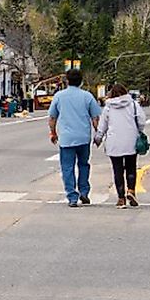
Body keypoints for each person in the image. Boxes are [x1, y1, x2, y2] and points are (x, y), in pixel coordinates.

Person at [47, 69, 102, 207]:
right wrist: (98, 134)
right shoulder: (87, 96)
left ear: (67, 81)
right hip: (83, 137)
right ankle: (84, 191)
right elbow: (95, 118)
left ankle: (72, 196)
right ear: (81, 81)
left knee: (67, 167)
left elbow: (52, 117)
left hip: (66, 138)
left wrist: (53, 132)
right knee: (83, 164)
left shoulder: (59, 96)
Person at [94, 83, 147, 208]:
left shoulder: (108, 107)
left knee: (117, 170)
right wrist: (137, 130)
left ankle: (121, 198)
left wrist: (98, 138)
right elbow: (141, 120)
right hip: (130, 140)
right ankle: (131, 191)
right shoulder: (133, 104)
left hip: (114, 142)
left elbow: (102, 126)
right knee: (131, 167)